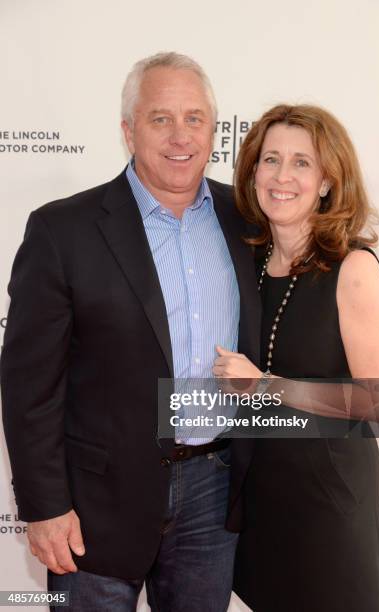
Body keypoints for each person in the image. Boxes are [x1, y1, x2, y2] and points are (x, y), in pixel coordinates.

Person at [0, 52, 261, 612]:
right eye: (160, 118)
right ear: (128, 130)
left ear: (214, 131)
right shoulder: (61, 230)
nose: (179, 136)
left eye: (194, 118)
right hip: (96, 504)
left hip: (214, 495)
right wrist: (45, 506)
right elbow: (29, 387)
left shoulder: (248, 220)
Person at [212, 104, 379, 611]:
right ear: (252, 174)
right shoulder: (244, 262)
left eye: (301, 163)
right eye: (270, 160)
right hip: (261, 505)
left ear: (326, 181)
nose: (282, 176)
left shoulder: (352, 267)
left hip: (330, 508)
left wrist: (268, 385)